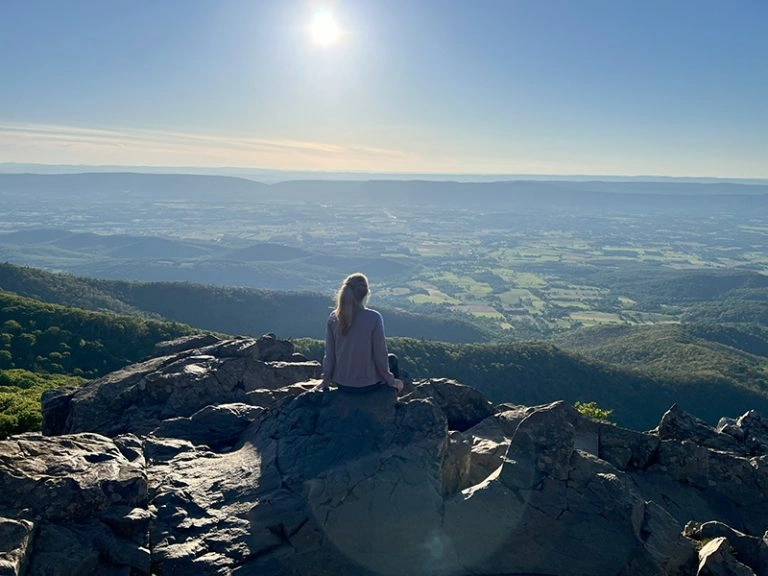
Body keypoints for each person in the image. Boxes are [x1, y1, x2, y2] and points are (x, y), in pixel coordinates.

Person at [320, 273, 404, 394]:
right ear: (366, 294)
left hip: (343, 384)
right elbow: (380, 354)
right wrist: (391, 380)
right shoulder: (374, 318)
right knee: (392, 359)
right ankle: (392, 399)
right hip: (369, 385)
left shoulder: (334, 318)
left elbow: (329, 356)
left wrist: (325, 382)